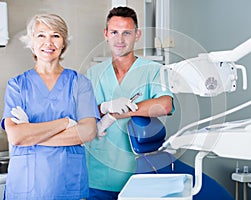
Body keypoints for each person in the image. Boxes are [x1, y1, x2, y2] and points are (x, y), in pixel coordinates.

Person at [1, 13, 100, 200]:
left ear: (63, 43)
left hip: (67, 184)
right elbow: (16, 136)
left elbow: (87, 132)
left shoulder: (80, 84)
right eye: (41, 35)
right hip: (26, 185)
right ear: (31, 41)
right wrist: (65, 122)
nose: (49, 42)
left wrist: (32, 135)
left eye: (56, 35)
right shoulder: (17, 85)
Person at [85, 6, 174, 200]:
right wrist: (105, 107)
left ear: (137, 35)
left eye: (127, 33)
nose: (120, 39)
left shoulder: (154, 70)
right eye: (114, 32)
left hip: (139, 175)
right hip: (99, 175)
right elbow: (83, 114)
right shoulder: (94, 73)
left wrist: (122, 113)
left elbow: (165, 104)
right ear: (106, 34)